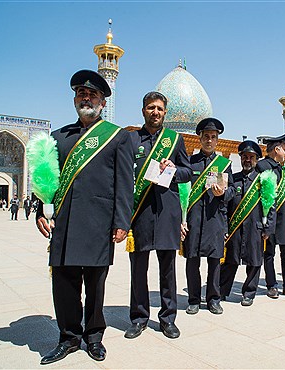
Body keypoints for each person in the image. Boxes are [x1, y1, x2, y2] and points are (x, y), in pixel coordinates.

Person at [35, 70, 134, 364]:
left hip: (98, 224)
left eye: (92, 95)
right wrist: (41, 210)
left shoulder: (117, 137)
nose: (86, 98)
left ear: (102, 102)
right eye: (81, 94)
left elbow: (124, 183)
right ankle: (68, 338)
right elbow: (45, 181)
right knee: (64, 285)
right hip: (64, 224)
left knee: (95, 286)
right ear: (75, 99)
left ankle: (93, 337)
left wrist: (121, 222)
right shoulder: (58, 138)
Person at [124, 91, 192, 340]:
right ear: (143, 110)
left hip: (166, 212)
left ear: (165, 113)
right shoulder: (131, 139)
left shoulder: (175, 140)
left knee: (167, 269)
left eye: (160, 109)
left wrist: (174, 170)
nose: (155, 112)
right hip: (140, 213)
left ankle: (168, 318)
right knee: (138, 269)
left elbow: (188, 172)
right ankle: (139, 317)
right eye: (151, 108)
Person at [182, 118, 233, 315]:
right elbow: (182, 191)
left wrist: (222, 193)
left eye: (213, 137)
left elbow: (230, 194)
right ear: (200, 138)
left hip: (214, 221)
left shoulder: (223, 164)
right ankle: (194, 299)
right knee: (192, 261)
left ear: (217, 140)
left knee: (214, 262)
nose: (209, 140)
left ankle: (213, 299)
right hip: (194, 220)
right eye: (206, 137)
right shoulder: (189, 162)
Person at [220, 140, 266, 306]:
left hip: (255, 228)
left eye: (251, 157)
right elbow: (224, 205)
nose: (247, 160)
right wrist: (224, 227)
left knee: (254, 262)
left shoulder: (263, 181)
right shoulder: (234, 179)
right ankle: (221, 291)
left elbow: (271, 207)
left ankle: (249, 293)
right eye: (244, 156)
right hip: (235, 228)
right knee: (230, 261)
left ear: (257, 159)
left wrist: (268, 228)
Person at [256, 134, 285, 299]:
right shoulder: (262, 166)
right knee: (269, 254)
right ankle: (272, 285)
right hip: (270, 220)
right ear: (277, 149)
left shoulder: (284, 170)